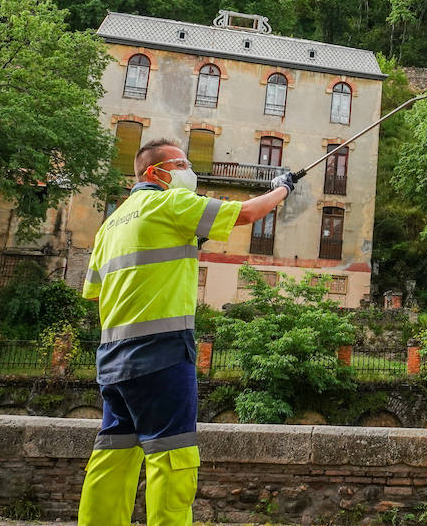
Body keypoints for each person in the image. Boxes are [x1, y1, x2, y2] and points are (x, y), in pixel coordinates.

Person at [78, 137, 299, 526]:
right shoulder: (168, 203)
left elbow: (96, 293)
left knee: (113, 458)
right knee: (172, 459)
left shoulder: (110, 224)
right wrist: (282, 187)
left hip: (113, 360)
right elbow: (246, 214)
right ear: (155, 172)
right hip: (161, 355)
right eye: (180, 164)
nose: (188, 171)